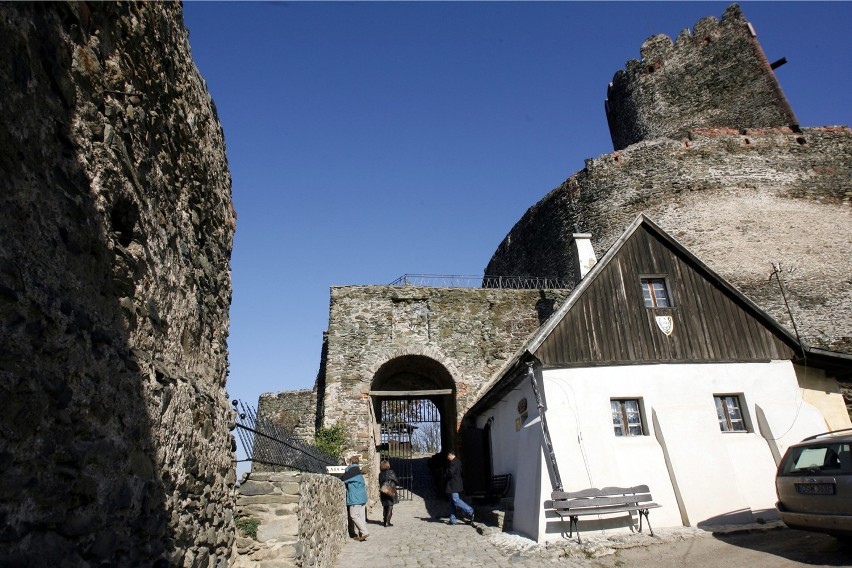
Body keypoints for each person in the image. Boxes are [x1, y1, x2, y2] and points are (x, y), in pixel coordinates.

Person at [341, 455, 369, 541]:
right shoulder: (358, 471)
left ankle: (364, 532)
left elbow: (342, 479)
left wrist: (347, 469)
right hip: (362, 497)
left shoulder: (352, 471)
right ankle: (362, 534)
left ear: (351, 462)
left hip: (355, 498)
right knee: (361, 516)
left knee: (354, 515)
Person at [444, 451, 474, 525]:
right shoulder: (458, 461)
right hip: (455, 484)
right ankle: (453, 519)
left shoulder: (453, 463)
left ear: (450, 455)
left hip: (454, 485)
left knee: (455, 500)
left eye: (448, 456)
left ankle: (470, 510)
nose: (447, 458)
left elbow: (450, 473)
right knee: (452, 502)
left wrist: (445, 473)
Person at [378, 459, 399, 527]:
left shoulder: (380, 474)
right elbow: (396, 480)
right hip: (389, 490)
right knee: (390, 507)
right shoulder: (390, 472)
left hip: (383, 491)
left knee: (385, 506)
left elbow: (380, 482)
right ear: (388, 465)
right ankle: (387, 522)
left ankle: (385, 521)